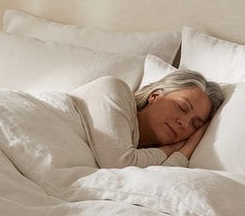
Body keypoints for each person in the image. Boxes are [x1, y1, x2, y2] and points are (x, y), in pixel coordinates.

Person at [70, 69, 225, 169]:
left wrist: (183, 153)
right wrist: (173, 149)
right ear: (155, 96)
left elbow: (157, 181)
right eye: (182, 107)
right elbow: (119, 165)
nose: (184, 123)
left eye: (195, 124)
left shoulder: (146, 160)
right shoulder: (113, 89)